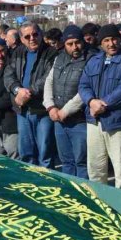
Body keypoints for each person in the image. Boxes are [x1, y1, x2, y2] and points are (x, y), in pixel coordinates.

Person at [78, 24, 121, 189]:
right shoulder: (94, 61)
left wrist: (102, 104)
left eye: (114, 39)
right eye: (106, 40)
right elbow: (83, 85)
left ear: (120, 40)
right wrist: (91, 101)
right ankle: (100, 202)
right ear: (101, 43)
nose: (111, 43)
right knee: (96, 168)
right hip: (94, 121)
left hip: (118, 122)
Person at [5, 22, 58, 167]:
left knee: (45, 153)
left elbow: (48, 78)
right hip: (22, 110)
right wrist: (17, 90)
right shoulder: (18, 52)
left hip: (42, 110)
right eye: (27, 36)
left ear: (41, 35)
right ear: (21, 39)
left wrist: (28, 92)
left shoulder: (51, 53)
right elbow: (8, 75)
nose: (32, 39)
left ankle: (47, 185)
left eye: (35, 34)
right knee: (26, 152)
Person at [44, 25, 91, 178]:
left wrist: (66, 110)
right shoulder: (59, 58)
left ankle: (83, 194)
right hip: (59, 119)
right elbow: (49, 82)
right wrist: (50, 107)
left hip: (79, 120)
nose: (74, 47)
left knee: (81, 161)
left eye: (77, 42)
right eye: (69, 44)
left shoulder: (90, 59)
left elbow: (85, 89)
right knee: (66, 161)